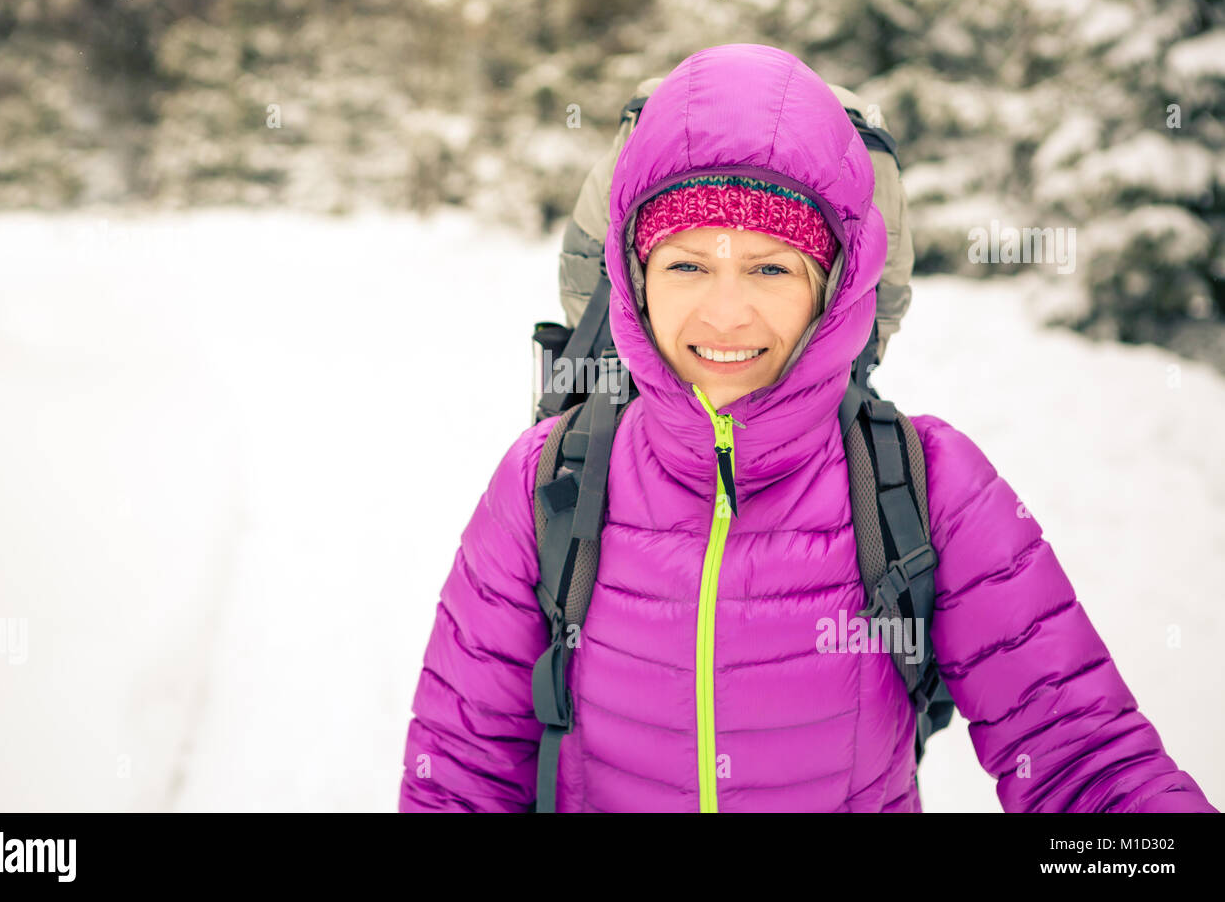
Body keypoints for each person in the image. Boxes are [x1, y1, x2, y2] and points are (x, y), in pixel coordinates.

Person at [398, 43, 1217, 812]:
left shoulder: (926, 483)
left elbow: (1084, 760)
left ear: (835, 286)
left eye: (771, 267)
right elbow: (459, 779)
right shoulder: (550, 481)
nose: (725, 311)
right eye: (686, 263)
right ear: (633, 278)